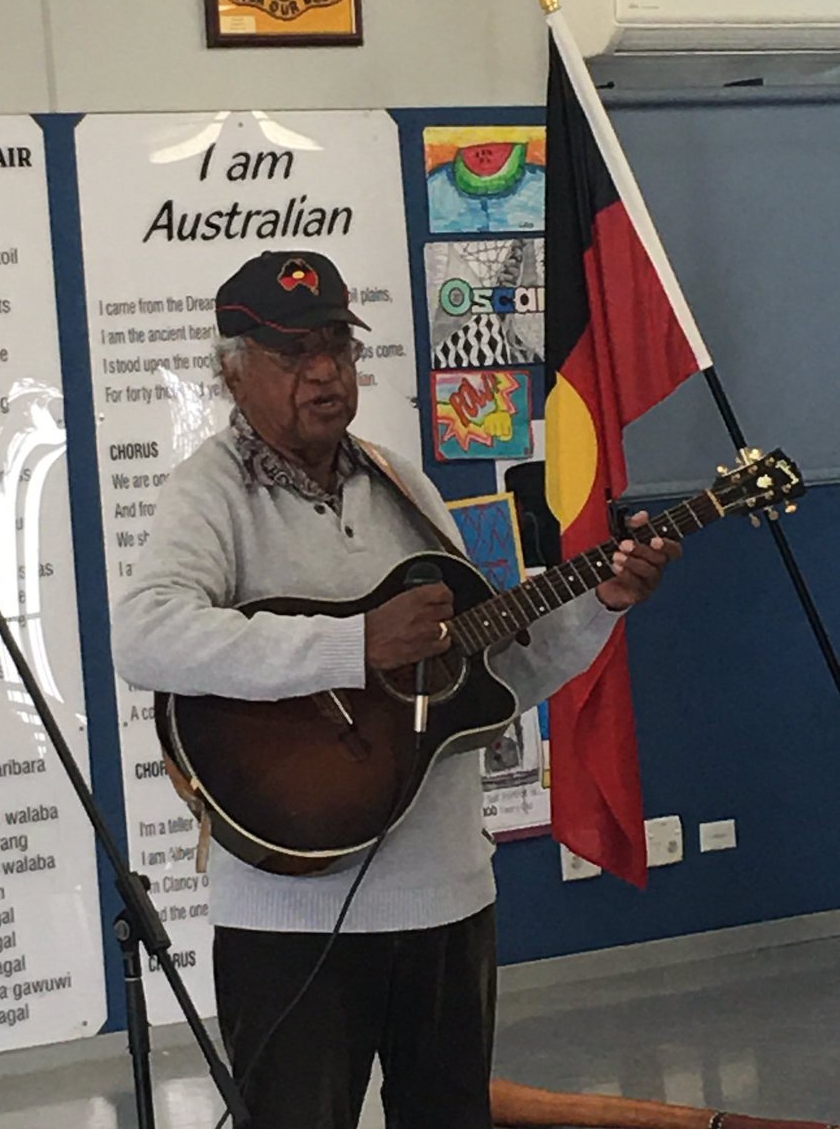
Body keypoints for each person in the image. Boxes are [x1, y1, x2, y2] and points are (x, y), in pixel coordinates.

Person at [111, 250, 681, 1129]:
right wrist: (351, 645)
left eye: (337, 346)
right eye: (294, 354)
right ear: (232, 372)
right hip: (291, 917)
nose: (326, 374)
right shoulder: (210, 492)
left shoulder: (399, 481)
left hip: (449, 894)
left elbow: (484, 677)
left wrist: (600, 604)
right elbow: (145, 634)